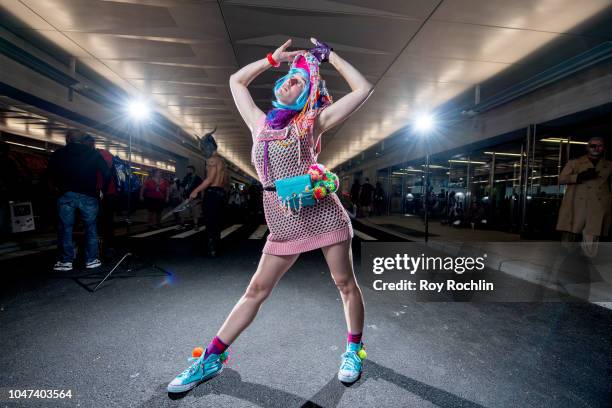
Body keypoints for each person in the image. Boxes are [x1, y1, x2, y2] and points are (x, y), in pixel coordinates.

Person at [168, 38, 372, 393]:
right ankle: (212, 358)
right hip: (281, 219)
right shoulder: (259, 123)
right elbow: (236, 81)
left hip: (323, 215)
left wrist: (331, 56)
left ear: (308, 92)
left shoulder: (313, 123)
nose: (291, 78)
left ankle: (354, 350)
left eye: (300, 78)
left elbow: (364, 89)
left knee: (344, 284)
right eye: (289, 75)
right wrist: (271, 59)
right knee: (256, 289)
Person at [48, 130, 109, 271]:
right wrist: (102, 190)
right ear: (82, 140)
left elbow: (50, 173)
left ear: (67, 138)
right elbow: (106, 173)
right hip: (89, 195)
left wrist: (57, 189)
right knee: (91, 227)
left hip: (66, 194)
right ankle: (92, 259)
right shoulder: (93, 153)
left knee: (65, 227)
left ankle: (66, 261)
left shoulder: (59, 153)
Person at [556, 136, 611, 254]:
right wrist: (579, 176)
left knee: (592, 236)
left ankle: (588, 262)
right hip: (577, 204)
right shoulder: (575, 163)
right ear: (587, 147)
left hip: (598, 205)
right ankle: (567, 261)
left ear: (603, 148)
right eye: (593, 146)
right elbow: (561, 179)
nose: (596, 148)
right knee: (569, 235)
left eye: (599, 146)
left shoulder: (609, 165)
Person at [82, 135, 117, 258]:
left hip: (105, 192)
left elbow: (106, 171)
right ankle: (100, 247)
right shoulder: (95, 154)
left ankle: (107, 247)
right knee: (98, 221)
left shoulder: (102, 153)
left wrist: (102, 190)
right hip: (98, 191)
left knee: (104, 221)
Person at [189, 149, 228, 256]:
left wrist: (196, 190)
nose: (203, 151)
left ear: (209, 146)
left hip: (212, 192)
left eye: (203, 147)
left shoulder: (212, 160)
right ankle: (216, 245)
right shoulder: (223, 162)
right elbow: (225, 182)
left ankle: (212, 248)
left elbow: (209, 179)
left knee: (210, 220)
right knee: (217, 220)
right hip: (221, 193)